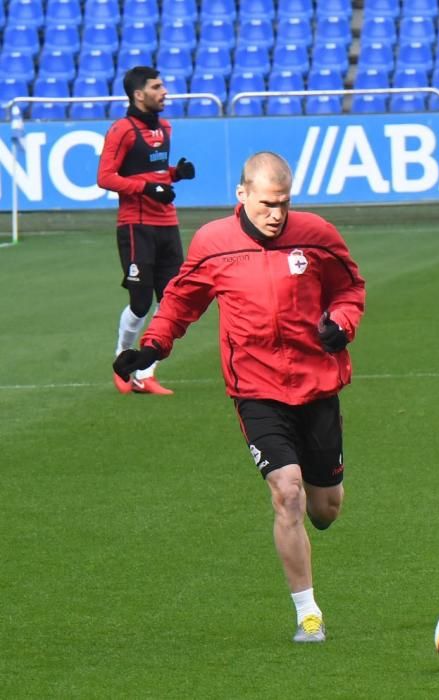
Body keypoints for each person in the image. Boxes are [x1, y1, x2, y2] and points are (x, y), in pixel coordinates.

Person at [113, 152, 366, 643]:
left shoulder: (317, 235)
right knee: (286, 493)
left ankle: (324, 493)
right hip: (255, 389)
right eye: (268, 203)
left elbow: (349, 289)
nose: (276, 214)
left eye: (284, 204)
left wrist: (342, 323)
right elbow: (182, 300)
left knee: (324, 509)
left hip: (316, 385)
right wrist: (151, 347)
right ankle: (308, 614)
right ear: (242, 195)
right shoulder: (213, 243)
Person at [97, 65, 196, 396]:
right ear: (139, 95)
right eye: (157, 86)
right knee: (140, 303)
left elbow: (153, 172)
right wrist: (147, 189)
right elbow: (106, 177)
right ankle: (121, 360)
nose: (165, 91)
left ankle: (145, 372)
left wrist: (174, 174)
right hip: (136, 226)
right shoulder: (121, 131)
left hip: (168, 225)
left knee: (172, 302)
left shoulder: (165, 127)